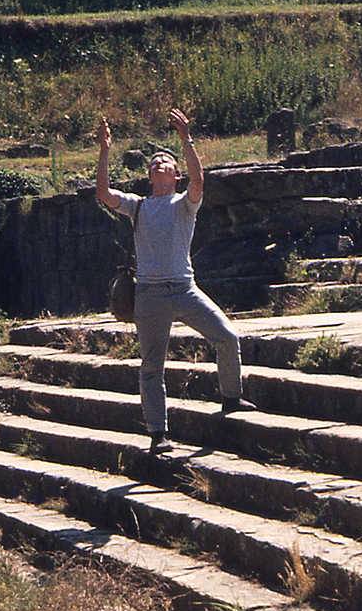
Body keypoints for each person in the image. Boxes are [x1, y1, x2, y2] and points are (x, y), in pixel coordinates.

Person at [97, 110, 250, 455]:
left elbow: (200, 182)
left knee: (227, 336)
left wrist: (186, 139)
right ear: (150, 177)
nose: (158, 162)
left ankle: (231, 398)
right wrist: (105, 149)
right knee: (152, 366)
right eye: (154, 162)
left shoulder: (184, 204)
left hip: (184, 289)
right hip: (149, 295)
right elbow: (105, 193)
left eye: (165, 160)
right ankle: (158, 434)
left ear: (176, 175)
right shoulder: (138, 206)